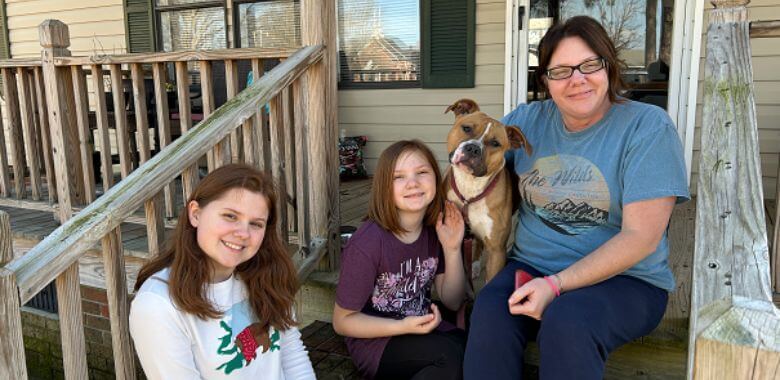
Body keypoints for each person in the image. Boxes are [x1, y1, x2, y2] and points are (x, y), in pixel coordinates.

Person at [463, 16, 690, 380]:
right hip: (532, 266)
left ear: (608, 66)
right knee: (489, 308)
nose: (577, 79)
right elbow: (473, 166)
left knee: (568, 320)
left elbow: (641, 237)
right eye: (562, 70)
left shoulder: (647, 127)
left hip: (627, 280)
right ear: (546, 80)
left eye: (589, 65)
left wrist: (557, 285)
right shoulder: (527, 120)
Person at [129, 164, 315, 379]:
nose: (243, 233)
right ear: (195, 214)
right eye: (230, 216)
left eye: (256, 224)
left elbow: (292, 356)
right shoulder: (158, 304)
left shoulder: (266, 278)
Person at [333, 140, 467, 380]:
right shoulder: (367, 243)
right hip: (377, 341)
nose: (413, 183)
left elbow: (453, 301)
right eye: (399, 177)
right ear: (384, 186)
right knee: (447, 357)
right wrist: (403, 326)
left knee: (471, 349)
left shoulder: (433, 231)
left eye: (422, 172)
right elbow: (342, 322)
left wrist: (452, 248)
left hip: (420, 330)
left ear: (436, 178)